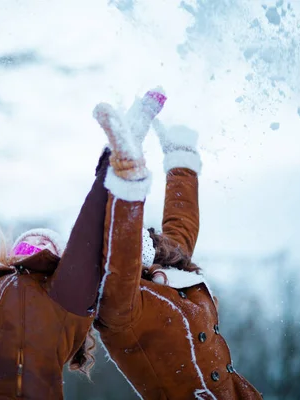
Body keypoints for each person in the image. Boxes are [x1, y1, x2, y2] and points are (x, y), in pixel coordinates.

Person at [0, 89, 166, 399]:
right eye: (25, 245)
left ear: (60, 260)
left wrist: (114, 162)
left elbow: (89, 231)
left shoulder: (65, 295)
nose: (35, 241)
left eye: (46, 244)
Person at [92, 100, 262, 399]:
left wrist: (179, 157)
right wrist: (125, 173)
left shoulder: (167, 267)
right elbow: (119, 255)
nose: (139, 237)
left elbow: (181, 222)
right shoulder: (120, 305)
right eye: (130, 238)